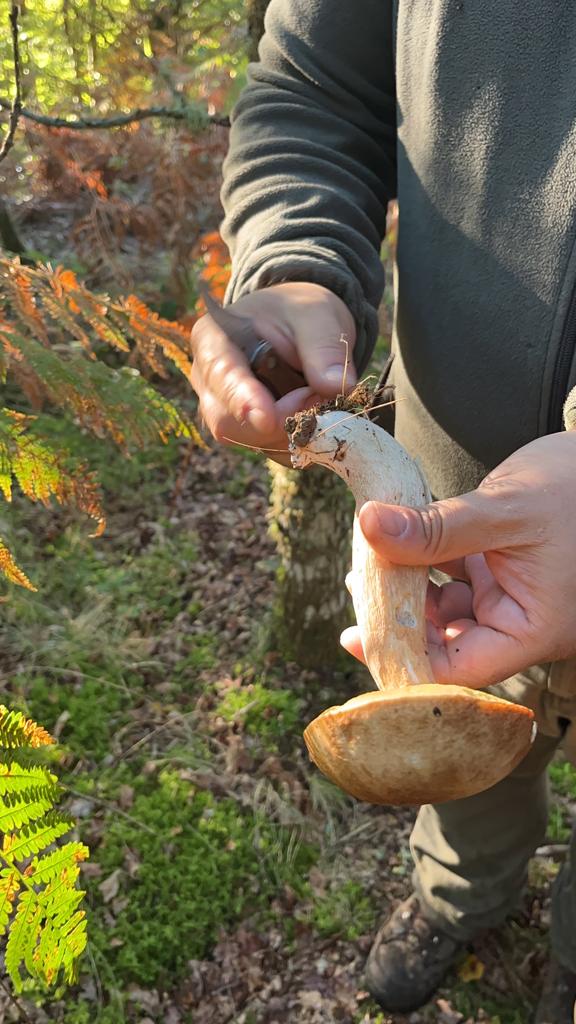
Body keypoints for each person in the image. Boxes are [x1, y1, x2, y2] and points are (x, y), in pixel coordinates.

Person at [189, 3, 576, 1020]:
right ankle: (460, 898)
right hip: (454, 519)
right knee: (463, 772)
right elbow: (317, 84)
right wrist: (298, 263)